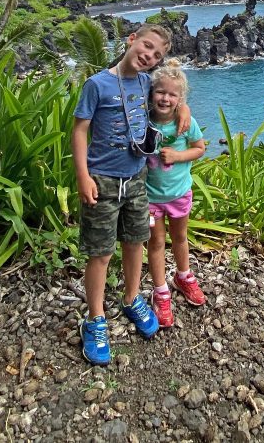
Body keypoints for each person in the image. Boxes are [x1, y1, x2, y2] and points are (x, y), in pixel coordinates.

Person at [72, 23, 187, 366]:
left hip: (136, 178)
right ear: (131, 40)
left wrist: (183, 108)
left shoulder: (144, 82)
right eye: (146, 47)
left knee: (135, 241)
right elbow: (79, 131)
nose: (148, 56)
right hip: (103, 180)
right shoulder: (97, 84)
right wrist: (83, 176)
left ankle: (132, 298)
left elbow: (168, 96)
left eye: (157, 55)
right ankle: (94, 320)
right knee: (101, 252)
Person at [144, 60, 209, 328]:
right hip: (149, 197)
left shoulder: (185, 122)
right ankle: (161, 291)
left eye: (172, 94)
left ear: (180, 99)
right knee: (156, 243)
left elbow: (200, 147)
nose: (165, 98)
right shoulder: (143, 118)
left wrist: (178, 155)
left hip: (179, 192)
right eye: (160, 92)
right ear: (151, 93)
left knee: (180, 237)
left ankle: (184, 275)